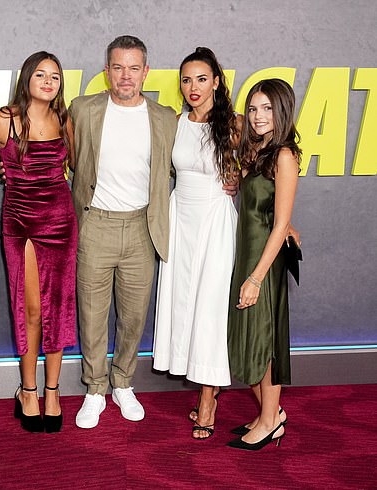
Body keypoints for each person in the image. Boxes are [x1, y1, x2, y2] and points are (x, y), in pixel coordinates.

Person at [70, 36, 177, 429]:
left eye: (134, 68)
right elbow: (62, 157)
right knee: (93, 315)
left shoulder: (165, 117)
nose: (126, 75)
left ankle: (123, 383)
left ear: (146, 72)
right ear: (107, 71)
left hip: (141, 227)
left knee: (133, 317)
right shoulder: (82, 110)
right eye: (118, 67)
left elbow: (184, 164)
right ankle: (95, 389)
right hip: (95, 224)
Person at [0, 52, 77, 433]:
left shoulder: (64, 120)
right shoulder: (6, 119)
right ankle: (28, 390)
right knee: (33, 309)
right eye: (40, 74)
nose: (49, 81)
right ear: (26, 78)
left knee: (60, 308)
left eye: (55, 76)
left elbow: (79, 166)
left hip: (61, 221)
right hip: (22, 223)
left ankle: (53, 391)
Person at [152, 47, 240, 440]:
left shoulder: (235, 125)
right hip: (179, 218)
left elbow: (269, 166)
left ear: (216, 82)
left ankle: (208, 398)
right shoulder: (174, 122)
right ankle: (202, 381)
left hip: (215, 219)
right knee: (182, 303)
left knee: (210, 307)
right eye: (186, 80)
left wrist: (239, 180)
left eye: (201, 79)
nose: (193, 87)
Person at [226, 78, 301, 450]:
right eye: (254, 108)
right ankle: (269, 415)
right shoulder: (258, 151)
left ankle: (271, 421)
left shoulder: (284, 155)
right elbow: (231, 116)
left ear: (282, 110)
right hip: (247, 255)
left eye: (267, 108)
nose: (257, 116)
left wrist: (256, 278)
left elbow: (279, 223)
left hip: (263, 264)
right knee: (250, 340)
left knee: (264, 344)